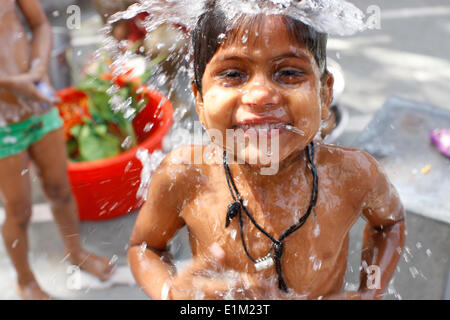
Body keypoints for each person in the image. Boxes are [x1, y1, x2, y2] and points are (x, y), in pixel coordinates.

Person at [128, 0, 406, 300]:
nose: (261, 97)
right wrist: (171, 293)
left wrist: (369, 293)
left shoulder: (352, 174)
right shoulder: (186, 175)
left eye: (288, 73)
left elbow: (390, 224)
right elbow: (145, 248)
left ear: (324, 94)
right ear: (199, 100)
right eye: (233, 74)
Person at [0, 0, 114, 300]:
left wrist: (38, 68)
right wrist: (11, 83)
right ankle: (25, 281)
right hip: (2, 124)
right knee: (18, 210)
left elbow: (39, 24)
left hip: (37, 101)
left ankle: (75, 251)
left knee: (60, 188)